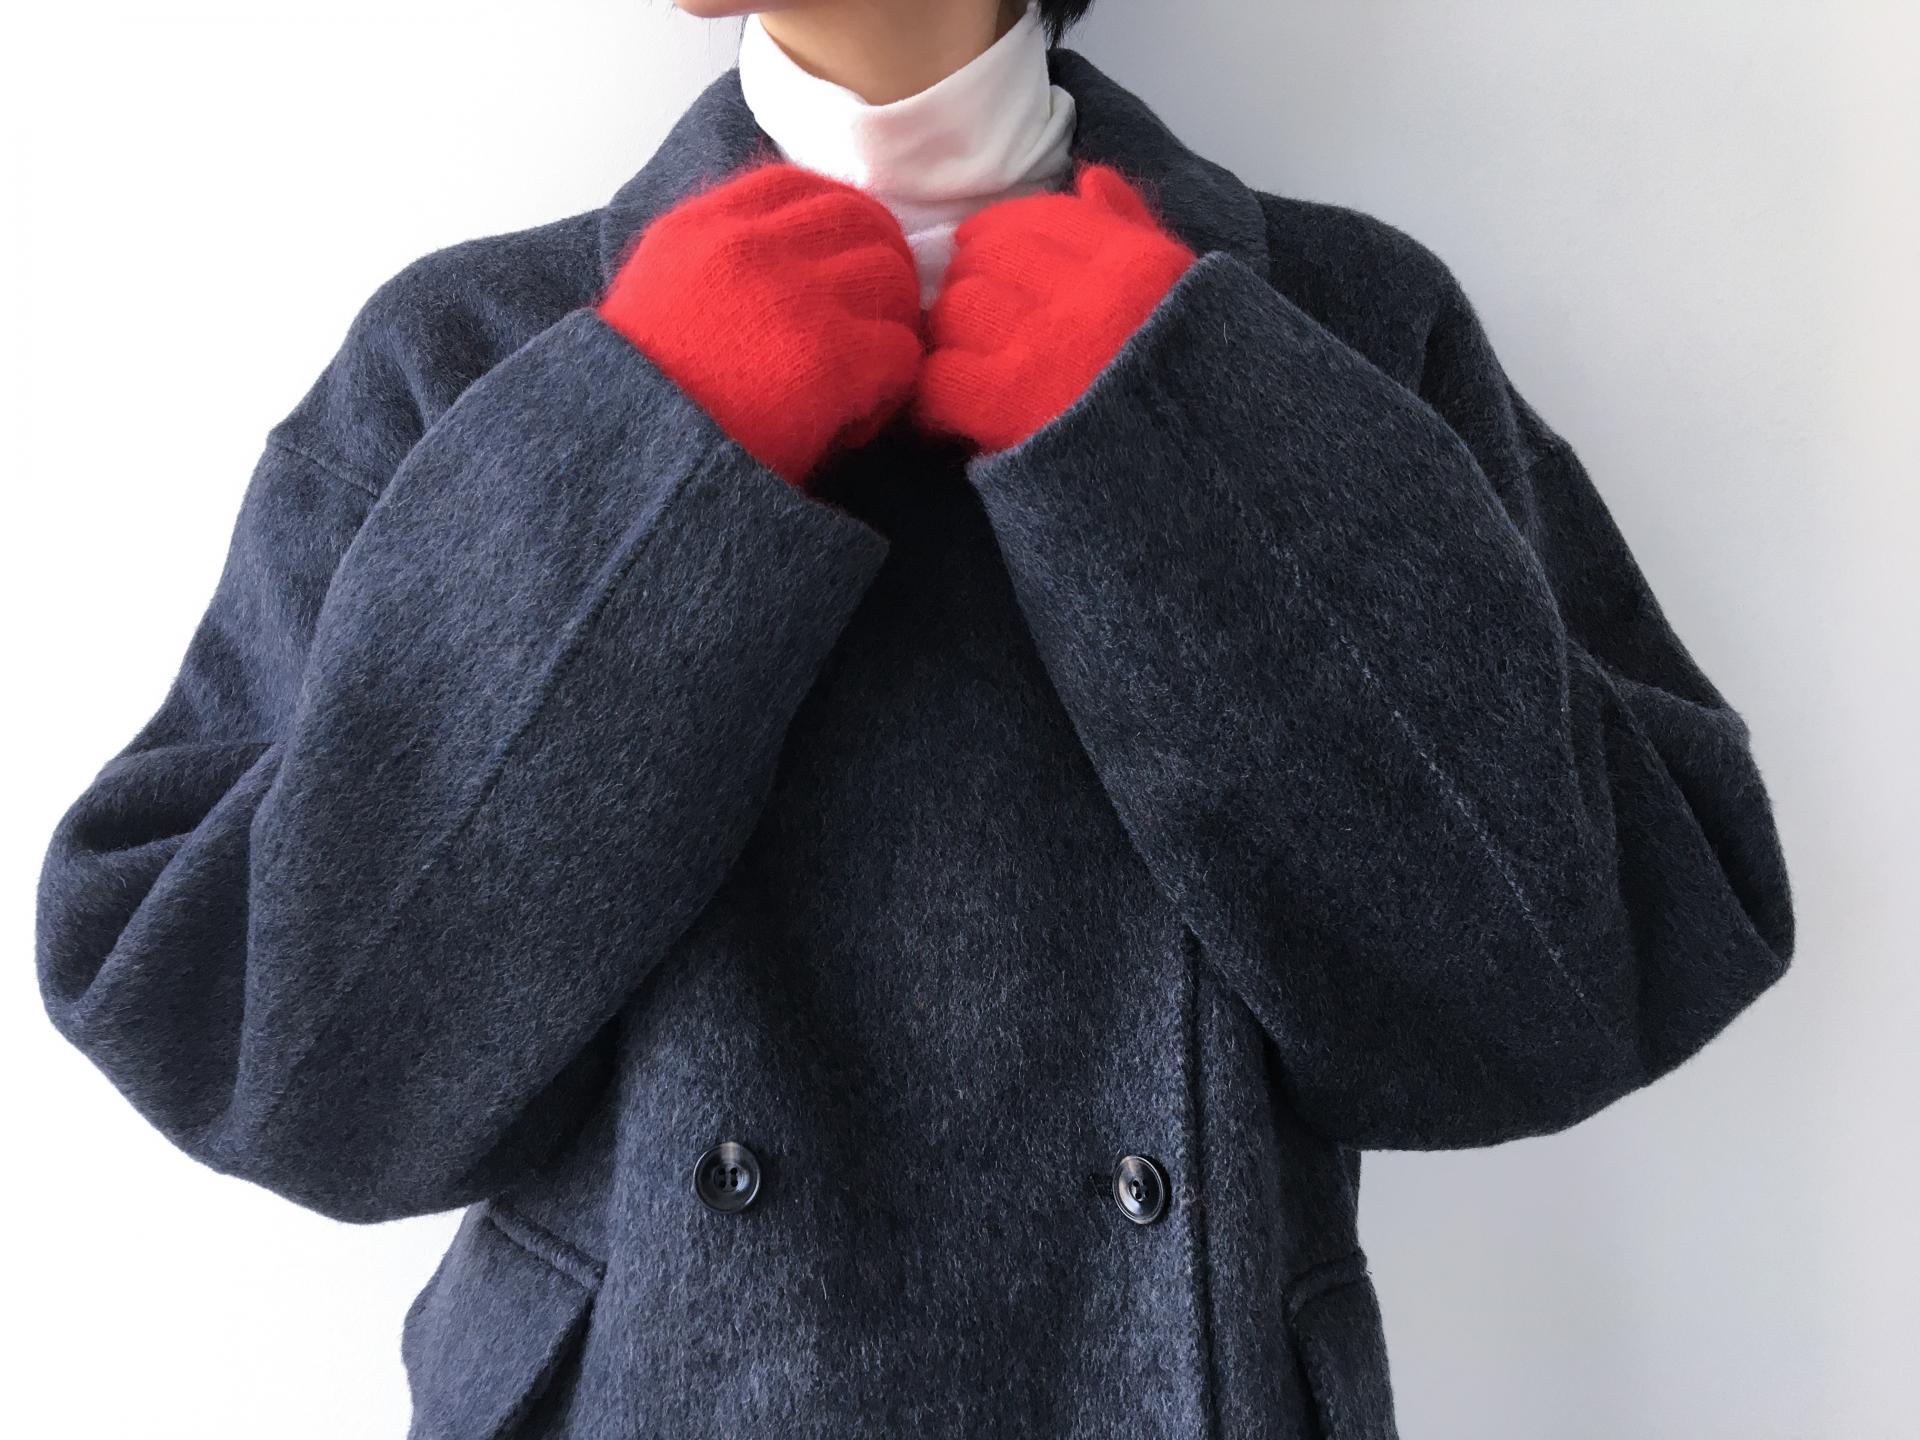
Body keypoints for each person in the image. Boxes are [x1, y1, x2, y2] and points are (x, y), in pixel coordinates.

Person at [33, 1, 1794, 1435]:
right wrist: (649, 446)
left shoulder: (1339, 323)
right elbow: (248, 1044)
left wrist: (1188, 430)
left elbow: (1590, 982)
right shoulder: (478, 343)